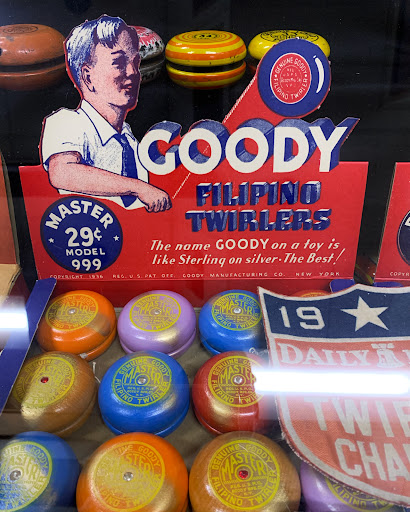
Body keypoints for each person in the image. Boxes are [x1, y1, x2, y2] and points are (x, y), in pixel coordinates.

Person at [41, 15, 171, 212]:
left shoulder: (128, 138)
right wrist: (138, 188)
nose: (133, 72)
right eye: (118, 62)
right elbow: (63, 173)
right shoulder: (67, 121)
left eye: (135, 62)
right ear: (88, 76)